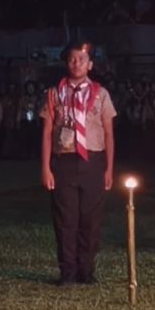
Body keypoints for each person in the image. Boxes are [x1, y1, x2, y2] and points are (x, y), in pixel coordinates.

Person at [40, 40, 117, 285]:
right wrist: (46, 168)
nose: (77, 63)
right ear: (66, 63)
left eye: (82, 60)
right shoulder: (54, 93)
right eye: (72, 59)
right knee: (66, 220)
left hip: (93, 160)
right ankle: (68, 273)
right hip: (64, 161)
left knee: (91, 219)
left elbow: (108, 133)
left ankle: (87, 271)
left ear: (90, 64)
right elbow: (47, 131)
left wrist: (109, 168)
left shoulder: (101, 94)